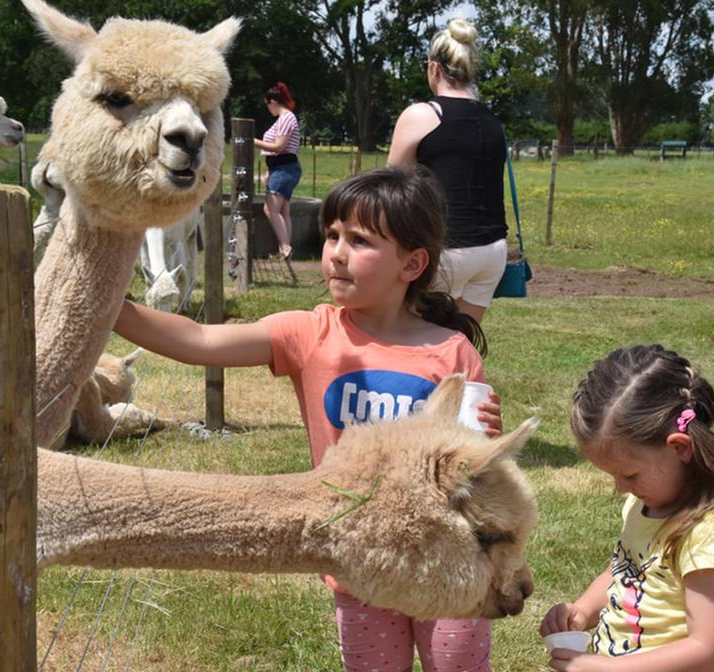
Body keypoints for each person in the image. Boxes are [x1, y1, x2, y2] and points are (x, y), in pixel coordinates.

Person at [113, 166, 503, 672]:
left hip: (448, 561)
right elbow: (198, 340)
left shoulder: (451, 352)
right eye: (331, 236)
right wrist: (110, 307)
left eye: (359, 240)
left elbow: (475, 471)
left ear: (412, 264)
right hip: (360, 562)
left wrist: (485, 438)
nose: (336, 252)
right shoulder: (310, 333)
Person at [539, 345, 714, 672]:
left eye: (629, 474)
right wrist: (584, 609)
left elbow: (708, 649)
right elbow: (626, 573)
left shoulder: (709, 537)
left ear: (679, 448)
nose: (620, 487)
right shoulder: (642, 505)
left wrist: (607, 669)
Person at [387, 18, 507, 324]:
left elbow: (390, 187)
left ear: (434, 69)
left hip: (445, 251)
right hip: (492, 251)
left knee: (415, 342)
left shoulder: (421, 115)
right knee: (461, 344)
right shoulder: (493, 120)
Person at [255, 82, 302, 259]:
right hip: (282, 168)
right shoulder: (287, 118)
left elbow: (278, 146)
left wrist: (252, 141)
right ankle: (285, 249)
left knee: (270, 209)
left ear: (273, 101)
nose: (268, 109)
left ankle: (285, 247)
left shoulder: (285, 119)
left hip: (283, 168)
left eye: (268, 105)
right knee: (283, 211)